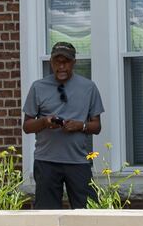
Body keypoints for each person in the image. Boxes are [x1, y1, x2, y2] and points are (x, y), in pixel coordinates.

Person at [22, 41, 104, 209]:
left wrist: (79, 126)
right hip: (46, 161)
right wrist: (44, 122)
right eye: (57, 62)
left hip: (78, 161)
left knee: (88, 213)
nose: (61, 66)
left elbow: (96, 126)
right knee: (47, 216)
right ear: (51, 62)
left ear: (73, 62)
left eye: (65, 62)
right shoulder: (38, 87)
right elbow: (27, 126)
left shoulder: (89, 87)